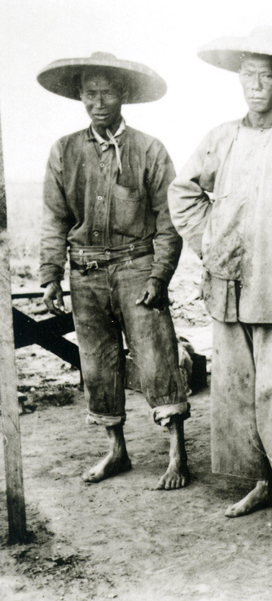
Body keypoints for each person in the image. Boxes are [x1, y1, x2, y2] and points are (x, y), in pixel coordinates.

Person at [168, 28, 272, 524]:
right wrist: (210, 242)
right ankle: (259, 481)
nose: (256, 86)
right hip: (230, 282)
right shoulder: (221, 138)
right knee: (237, 387)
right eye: (248, 76)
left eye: (267, 77)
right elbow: (183, 193)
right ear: (239, 82)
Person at [38, 52, 190, 489]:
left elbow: (169, 220)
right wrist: (51, 275)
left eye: (106, 92)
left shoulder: (149, 149)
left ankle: (177, 453)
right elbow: (54, 218)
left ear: (122, 94)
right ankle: (116, 451)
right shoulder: (64, 151)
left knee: (157, 357)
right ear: (80, 97)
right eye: (89, 93)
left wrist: (159, 277)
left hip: (137, 269)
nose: (98, 102)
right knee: (98, 364)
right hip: (85, 272)